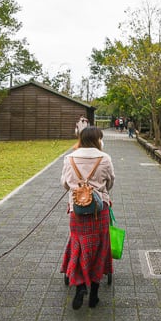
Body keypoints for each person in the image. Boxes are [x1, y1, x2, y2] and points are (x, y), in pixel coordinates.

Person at [60, 126, 115, 309]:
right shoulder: (105, 158)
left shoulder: (69, 158)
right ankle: (94, 295)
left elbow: (65, 184)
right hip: (100, 211)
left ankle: (80, 286)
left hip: (77, 211)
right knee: (99, 247)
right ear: (97, 139)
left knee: (79, 245)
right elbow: (111, 182)